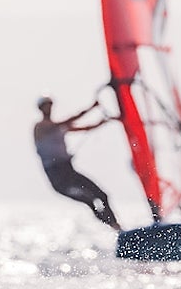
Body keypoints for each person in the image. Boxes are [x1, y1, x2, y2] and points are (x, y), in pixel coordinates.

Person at [32, 96, 122, 231]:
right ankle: (114, 227)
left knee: (102, 195)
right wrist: (92, 108)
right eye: (46, 105)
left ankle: (117, 227)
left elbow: (84, 128)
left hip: (69, 172)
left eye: (50, 105)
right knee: (89, 200)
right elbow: (70, 120)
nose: (49, 108)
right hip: (58, 179)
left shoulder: (59, 127)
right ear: (41, 109)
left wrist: (104, 121)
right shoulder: (40, 127)